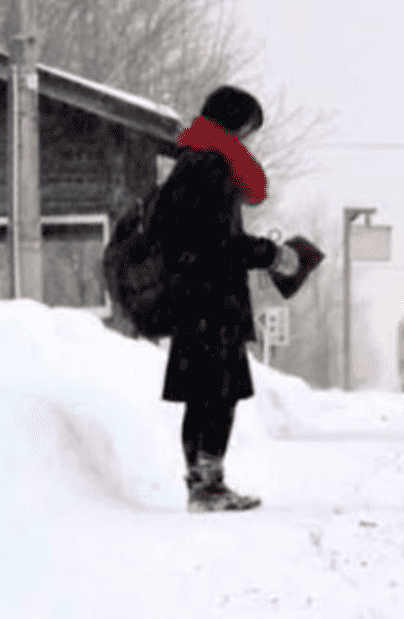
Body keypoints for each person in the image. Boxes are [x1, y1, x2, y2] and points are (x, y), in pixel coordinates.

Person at [152, 86, 298, 512]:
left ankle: (201, 485)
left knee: (202, 395)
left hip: (191, 299)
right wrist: (272, 254)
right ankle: (209, 488)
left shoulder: (188, 163)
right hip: (213, 301)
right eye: (248, 130)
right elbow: (219, 243)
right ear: (235, 124)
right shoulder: (212, 166)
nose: (248, 141)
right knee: (218, 395)